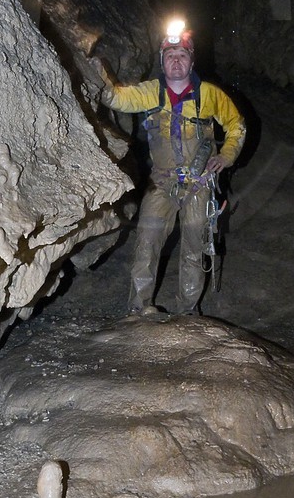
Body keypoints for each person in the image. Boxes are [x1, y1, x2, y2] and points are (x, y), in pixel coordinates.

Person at [97, 20, 246, 318]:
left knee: (194, 248)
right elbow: (117, 98)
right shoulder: (151, 93)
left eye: (182, 56)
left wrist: (227, 156)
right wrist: (96, 70)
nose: (176, 62)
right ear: (162, 62)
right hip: (162, 184)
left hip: (199, 184)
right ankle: (139, 309)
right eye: (170, 56)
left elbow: (236, 125)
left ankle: (188, 312)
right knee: (147, 244)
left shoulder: (210, 95)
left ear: (191, 61)